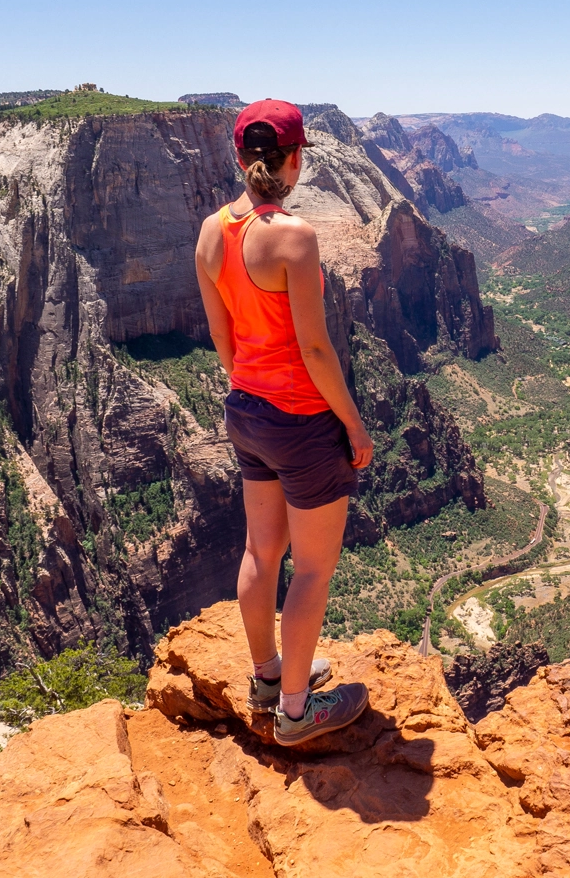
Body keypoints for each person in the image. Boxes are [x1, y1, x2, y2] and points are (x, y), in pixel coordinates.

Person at [194, 99, 375, 745]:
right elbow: (316, 349)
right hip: (300, 420)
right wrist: (352, 426)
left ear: (241, 158)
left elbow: (222, 336)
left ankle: (268, 675)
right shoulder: (294, 237)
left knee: (259, 550)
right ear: (294, 159)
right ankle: (296, 714)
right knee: (314, 569)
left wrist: (250, 387)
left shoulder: (211, 231)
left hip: (244, 410)